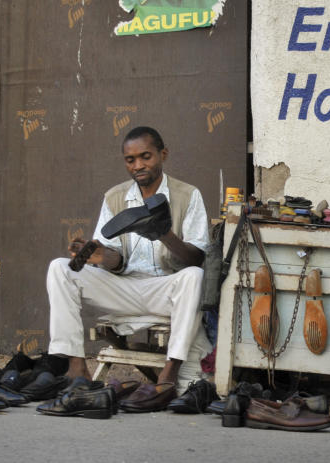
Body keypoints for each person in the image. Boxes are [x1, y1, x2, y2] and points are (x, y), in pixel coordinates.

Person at [45, 126, 210, 406]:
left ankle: (170, 371)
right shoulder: (115, 197)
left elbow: (196, 258)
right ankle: (77, 367)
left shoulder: (187, 195)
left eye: (145, 156)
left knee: (195, 276)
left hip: (166, 293)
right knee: (60, 268)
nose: (138, 165)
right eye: (130, 160)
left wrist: (164, 234)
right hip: (123, 290)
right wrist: (101, 256)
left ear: (163, 154)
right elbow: (115, 259)